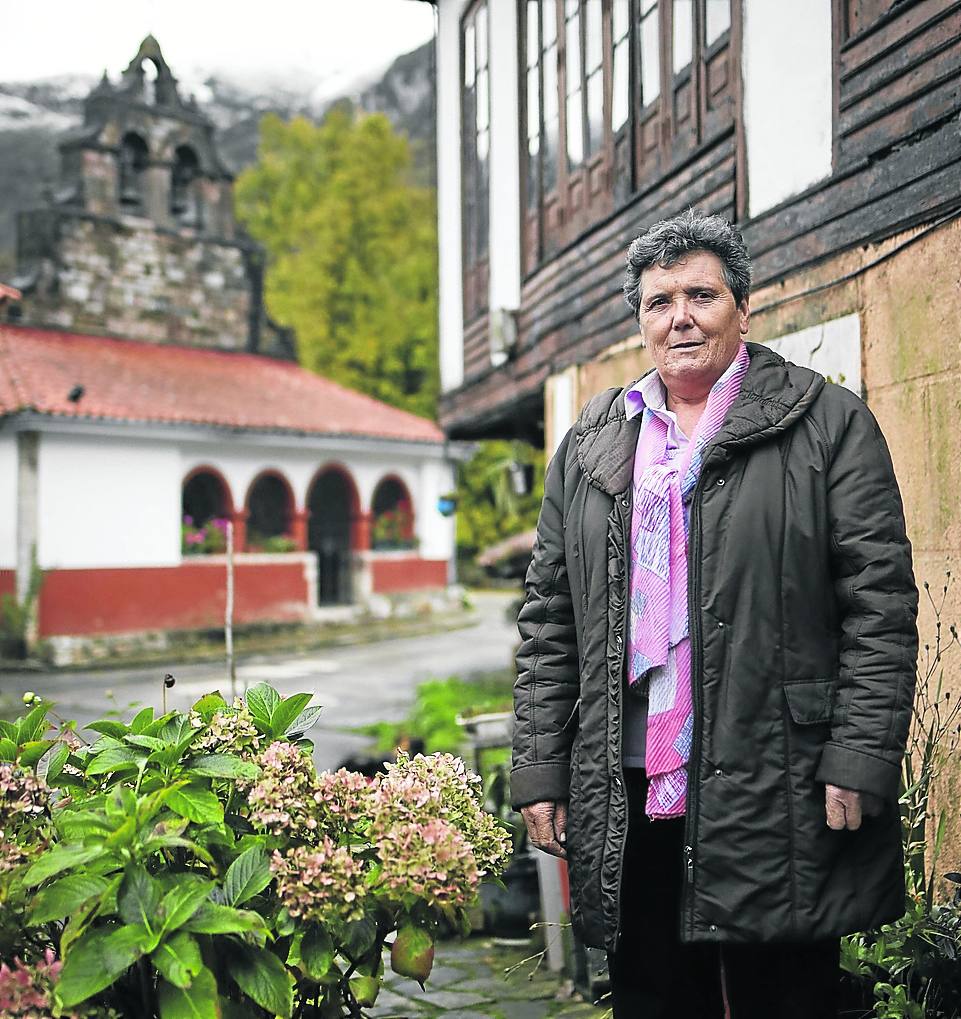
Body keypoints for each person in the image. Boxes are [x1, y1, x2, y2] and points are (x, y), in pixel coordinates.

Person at [510, 209, 918, 1018]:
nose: (680, 317)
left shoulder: (824, 423)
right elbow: (549, 617)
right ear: (641, 321)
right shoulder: (594, 440)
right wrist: (540, 766)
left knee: (785, 995)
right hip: (626, 783)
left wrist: (858, 753)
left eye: (700, 294)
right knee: (653, 996)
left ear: (741, 306)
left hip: (779, 778)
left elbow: (877, 602)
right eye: (659, 301)